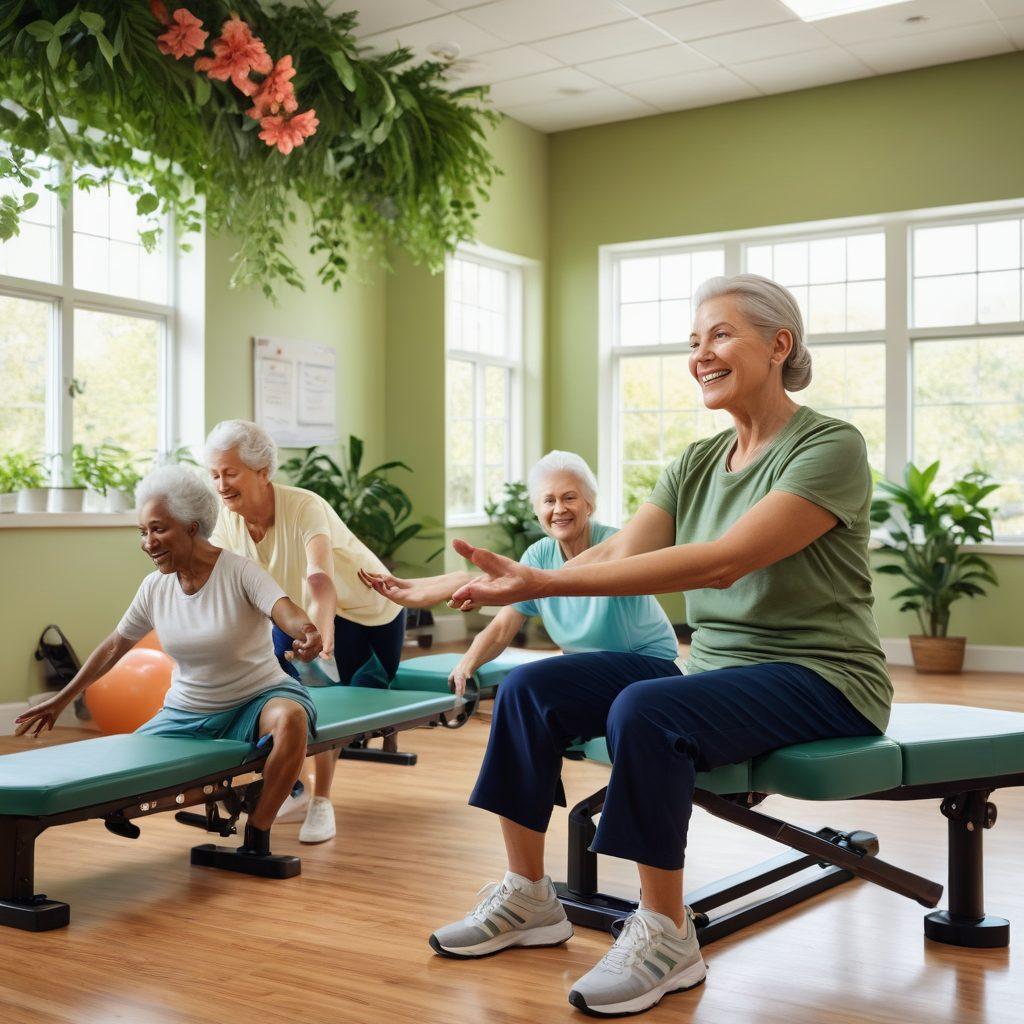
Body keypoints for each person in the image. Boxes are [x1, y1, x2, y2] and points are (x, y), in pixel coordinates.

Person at [425, 274, 894, 1017]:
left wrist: (536, 589)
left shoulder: (831, 446)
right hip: (718, 673)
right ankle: (528, 899)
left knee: (648, 707)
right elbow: (609, 560)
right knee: (527, 687)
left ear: (780, 346)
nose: (699, 354)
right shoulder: (695, 462)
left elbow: (726, 560)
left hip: (823, 675)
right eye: (692, 342)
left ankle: (668, 936)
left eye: (718, 335)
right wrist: (495, 583)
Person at [15, 466, 323, 857]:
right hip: (187, 712)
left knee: (291, 718)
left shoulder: (239, 571)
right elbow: (114, 646)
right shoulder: (155, 587)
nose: (147, 542)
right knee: (123, 771)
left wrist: (306, 631)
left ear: (192, 527)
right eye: (142, 532)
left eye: (158, 529)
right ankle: (229, 793)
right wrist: (62, 699)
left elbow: (284, 610)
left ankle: (257, 834)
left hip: (257, 696)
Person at [205, 420, 405, 844]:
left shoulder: (305, 507)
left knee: (333, 707)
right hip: (296, 612)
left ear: (263, 472)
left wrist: (323, 626)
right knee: (284, 694)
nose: (221, 484)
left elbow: (318, 576)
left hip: (368, 614)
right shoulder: (229, 519)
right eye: (215, 474)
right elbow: (223, 579)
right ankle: (293, 788)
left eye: (231, 473)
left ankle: (322, 802)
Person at [360, 448, 680, 694]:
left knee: (531, 687)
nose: (559, 509)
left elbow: (567, 576)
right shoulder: (539, 556)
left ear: (589, 504)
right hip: (591, 668)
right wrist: (467, 664)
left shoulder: (616, 543)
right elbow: (502, 628)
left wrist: (461, 580)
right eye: (549, 500)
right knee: (532, 699)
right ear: (537, 510)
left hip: (648, 666)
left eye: (570, 498)